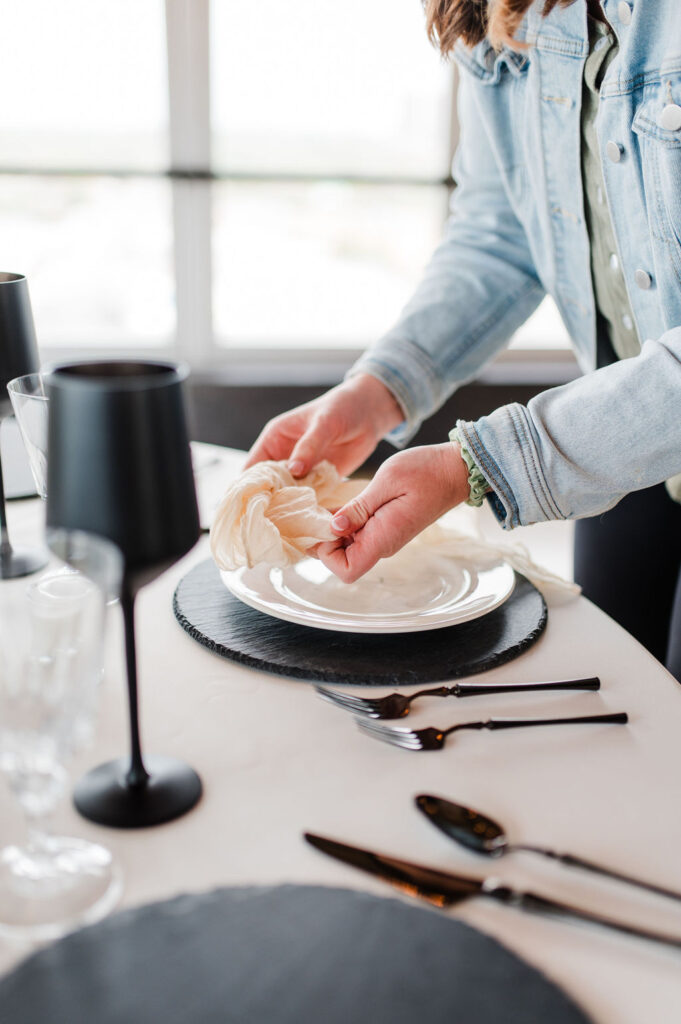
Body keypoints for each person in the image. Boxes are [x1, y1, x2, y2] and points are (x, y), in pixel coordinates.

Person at [245, 0, 681, 680]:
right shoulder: (507, 13)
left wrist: (478, 466)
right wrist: (380, 388)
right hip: (619, 443)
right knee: (615, 705)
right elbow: (500, 234)